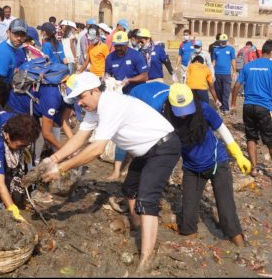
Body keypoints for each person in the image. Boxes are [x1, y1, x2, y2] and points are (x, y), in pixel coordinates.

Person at [39, 72, 180, 274]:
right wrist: (53, 159)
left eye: (81, 97)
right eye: (76, 99)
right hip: (145, 150)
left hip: (164, 147)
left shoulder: (111, 105)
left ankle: (147, 259)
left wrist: (61, 169)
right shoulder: (94, 109)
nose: (79, 103)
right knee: (129, 188)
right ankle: (138, 226)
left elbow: (96, 149)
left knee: (147, 198)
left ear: (95, 90)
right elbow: (80, 138)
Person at [162, 85, 248, 246]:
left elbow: (223, 130)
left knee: (226, 210)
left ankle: (240, 244)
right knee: (187, 218)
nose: (184, 115)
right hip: (191, 168)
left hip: (217, 163)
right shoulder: (166, 115)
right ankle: (190, 243)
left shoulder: (204, 109)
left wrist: (238, 155)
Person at [230, 40, 272, 183]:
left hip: (248, 107)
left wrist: (233, 104)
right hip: (264, 107)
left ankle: (254, 169)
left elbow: (236, 85)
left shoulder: (248, 66)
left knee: (251, 137)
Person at [211, 34, 237, 114]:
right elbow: (214, 62)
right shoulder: (215, 50)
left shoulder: (231, 49)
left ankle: (225, 108)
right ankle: (221, 108)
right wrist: (211, 72)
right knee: (218, 91)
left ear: (227, 41)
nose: (223, 43)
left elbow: (233, 61)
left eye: (225, 41)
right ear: (219, 41)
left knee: (226, 91)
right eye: (222, 41)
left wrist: (234, 71)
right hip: (217, 73)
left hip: (226, 74)